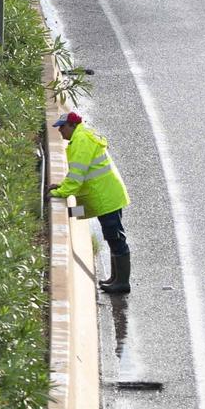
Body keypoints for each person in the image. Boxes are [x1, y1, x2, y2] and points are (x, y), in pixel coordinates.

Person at [51, 111, 132, 294]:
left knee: (115, 237)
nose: (60, 131)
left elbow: (77, 177)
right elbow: (76, 175)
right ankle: (115, 278)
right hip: (103, 196)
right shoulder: (82, 136)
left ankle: (122, 283)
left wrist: (60, 192)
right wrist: (61, 185)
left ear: (72, 126)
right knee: (112, 236)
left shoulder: (81, 141)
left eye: (62, 127)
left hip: (106, 198)